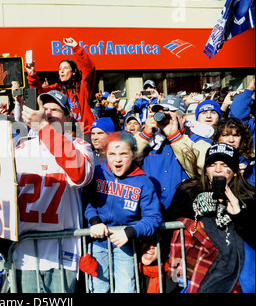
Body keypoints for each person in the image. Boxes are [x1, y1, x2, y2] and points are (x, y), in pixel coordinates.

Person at [14, 90, 94, 293]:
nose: (47, 113)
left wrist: (43, 127)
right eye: (43, 108)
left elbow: (79, 174)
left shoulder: (81, 146)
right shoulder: (19, 149)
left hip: (62, 255)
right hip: (24, 255)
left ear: (67, 118)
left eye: (54, 110)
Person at [167, 143, 254, 293]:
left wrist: (238, 214)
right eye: (212, 164)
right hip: (192, 265)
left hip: (239, 270)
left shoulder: (249, 196)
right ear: (206, 170)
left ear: (234, 171)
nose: (218, 169)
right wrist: (196, 207)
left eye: (224, 164)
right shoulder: (188, 191)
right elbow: (169, 223)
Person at [83, 131, 162, 293]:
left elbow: (153, 217)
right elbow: (87, 202)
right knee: (98, 287)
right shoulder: (97, 173)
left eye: (123, 154)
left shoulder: (143, 182)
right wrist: (94, 221)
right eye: (112, 154)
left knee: (126, 288)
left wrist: (131, 232)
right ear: (105, 154)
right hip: (99, 243)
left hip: (124, 244)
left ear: (133, 155)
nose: (117, 159)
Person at [134, 95, 210, 210]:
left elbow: (200, 167)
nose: (164, 117)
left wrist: (175, 137)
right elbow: (124, 158)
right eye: (160, 112)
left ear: (183, 118)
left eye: (169, 113)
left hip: (183, 212)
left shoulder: (198, 139)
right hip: (149, 212)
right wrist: (145, 135)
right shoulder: (149, 139)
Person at [25, 37, 96, 141]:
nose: (61, 71)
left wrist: (77, 48)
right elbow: (38, 93)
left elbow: (89, 69)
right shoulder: (56, 89)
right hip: (63, 132)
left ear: (74, 71)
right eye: (60, 69)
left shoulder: (82, 86)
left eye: (66, 68)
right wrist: (31, 73)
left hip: (83, 132)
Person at [211, 118, 255, 186]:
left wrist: (242, 178)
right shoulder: (208, 158)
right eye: (225, 135)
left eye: (236, 135)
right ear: (217, 138)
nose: (231, 140)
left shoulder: (249, 165)